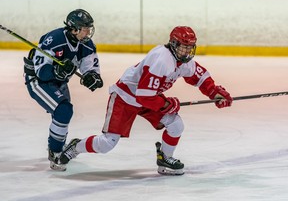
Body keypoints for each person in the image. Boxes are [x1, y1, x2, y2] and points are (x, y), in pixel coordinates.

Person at [59, 26, 232, 175]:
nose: (187, 51)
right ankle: (76, 146)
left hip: (147, 97)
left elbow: (199, 76)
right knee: (107, 144)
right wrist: (167, 104)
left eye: (190, 47)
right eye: (183, 47)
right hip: (126, 97)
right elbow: (144, 95)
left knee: (176, 125)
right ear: (173, 44)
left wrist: (215, 93)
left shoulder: (184, 61)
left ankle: (165, 158)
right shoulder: (162, 59)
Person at [23, 9, 103, 171]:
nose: (89, 31)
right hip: (38, 81)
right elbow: (42, 72)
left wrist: (92, 77)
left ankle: (57, 144)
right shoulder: (54, 39)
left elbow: (90, 68)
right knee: (63, 111)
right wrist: (56, 71)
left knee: (63, 113)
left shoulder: (87, 44)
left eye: (89, 27)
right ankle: (56, 151)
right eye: (85, 28)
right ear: (74, 29)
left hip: (59, 82)